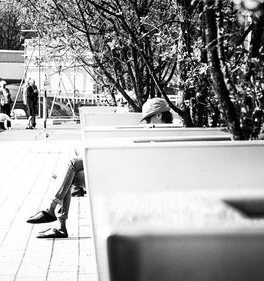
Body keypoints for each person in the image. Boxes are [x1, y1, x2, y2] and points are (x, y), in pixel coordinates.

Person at [26, 97, 173, 238]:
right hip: (122, 171)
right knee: (69, 171)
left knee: (69, 166)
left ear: (159, 115)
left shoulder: (162, 134)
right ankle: (57, 220)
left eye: (147, 119)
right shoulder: (158, 132)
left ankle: (55, 215)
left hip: (125, 177)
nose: (146, 123)